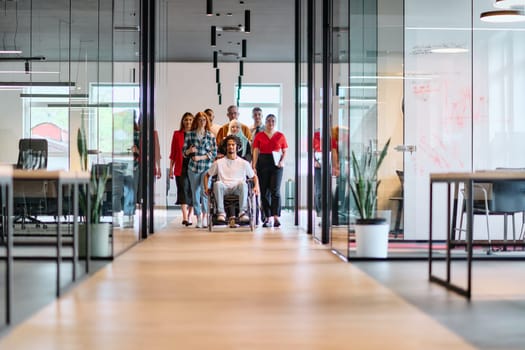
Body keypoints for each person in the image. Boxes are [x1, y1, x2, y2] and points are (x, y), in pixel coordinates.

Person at [204, 135, 259, 224]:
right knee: (217, 184)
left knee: (244, 184)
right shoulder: (218, 163)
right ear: (226, 147)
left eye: (233, 145)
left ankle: (242, 213)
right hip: (224, 188)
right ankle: (221, 213)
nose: (231, 147)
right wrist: (206, 187)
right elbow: (206, 175)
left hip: (238, 189)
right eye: (229, 145)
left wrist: (256, 186)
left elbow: (254, 176)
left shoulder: (244, 163)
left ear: (237, 146)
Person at [252, 114, 288, 228]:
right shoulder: (259, 135)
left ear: (275, 122)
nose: (270, 123)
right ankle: (267, 217)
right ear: (265, 122)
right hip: (263, 162)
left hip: (276, 164)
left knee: (275, 190)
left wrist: (282, 161)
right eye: (268, 121)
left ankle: (276, 217)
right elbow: (256, 151)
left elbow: (285, 150)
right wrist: (254, 165)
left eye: (273, 121)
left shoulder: (280, 136)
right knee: (264, 191)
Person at [183, 111, 217, 228]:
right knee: (195, 192)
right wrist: (189, 151)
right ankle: (197, 217)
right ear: (196, 121)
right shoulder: (190, 135)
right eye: (199, 120)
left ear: (206, 121)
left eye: (204, 120)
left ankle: (205, 217)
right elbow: (184, 152)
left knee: (204, 191)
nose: (202, 122)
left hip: (206, 167)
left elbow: (214, 152)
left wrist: (201, 157)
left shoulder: (210, 136)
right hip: (193, 168)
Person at [169, 112, 194, 226]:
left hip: (194, 166)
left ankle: (190, 216)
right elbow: (173, 153)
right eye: (186, 119)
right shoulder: (177, 134)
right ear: (182, 121)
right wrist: (171, 169)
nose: (188, 122)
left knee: (192, 191)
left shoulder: (195, 134)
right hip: (180, 166)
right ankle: (184, 217)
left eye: (190, 119)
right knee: (183, 190)